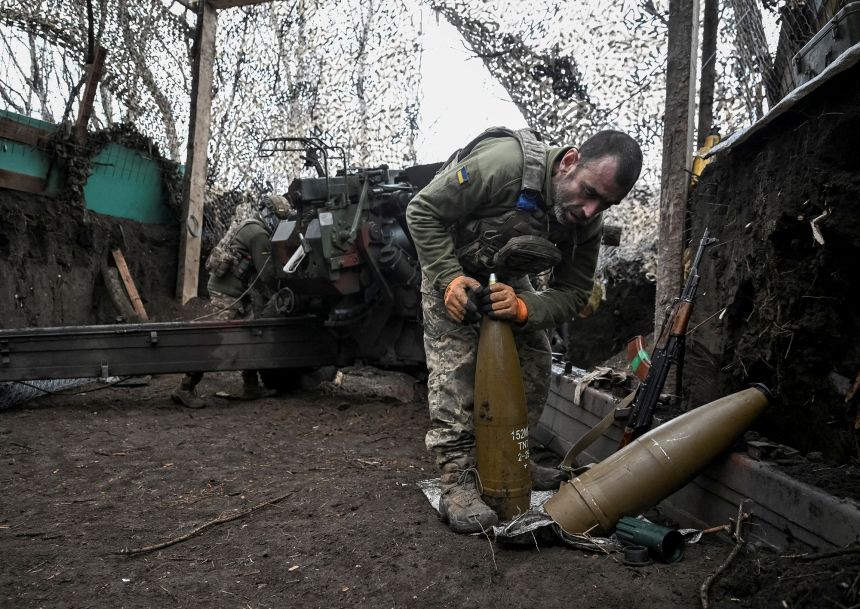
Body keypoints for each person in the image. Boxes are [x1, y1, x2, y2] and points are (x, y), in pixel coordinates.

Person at [405, 127, 643, 533]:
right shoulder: (503, 166)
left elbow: (573, 293)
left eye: (606, 203)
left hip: (508, 279)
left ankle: (512, 454)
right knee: (455, 371)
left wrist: (522, 307)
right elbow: (422, 211)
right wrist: (448, 279)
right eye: (589, 192)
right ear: (569, 162)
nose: (590, 211)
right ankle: (457, 480)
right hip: (450, 267)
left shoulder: (586, 222)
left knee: (534, 359)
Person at [171, 193, 293, 408]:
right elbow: (268, 276)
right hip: (228, 293)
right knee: (213, 341)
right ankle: (185, 388)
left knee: (252, 334)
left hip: (235, 290)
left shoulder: (251, 225)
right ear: (268, 214)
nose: (279, 223)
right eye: (279, 218)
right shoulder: (259, 235)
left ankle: (251, 385)